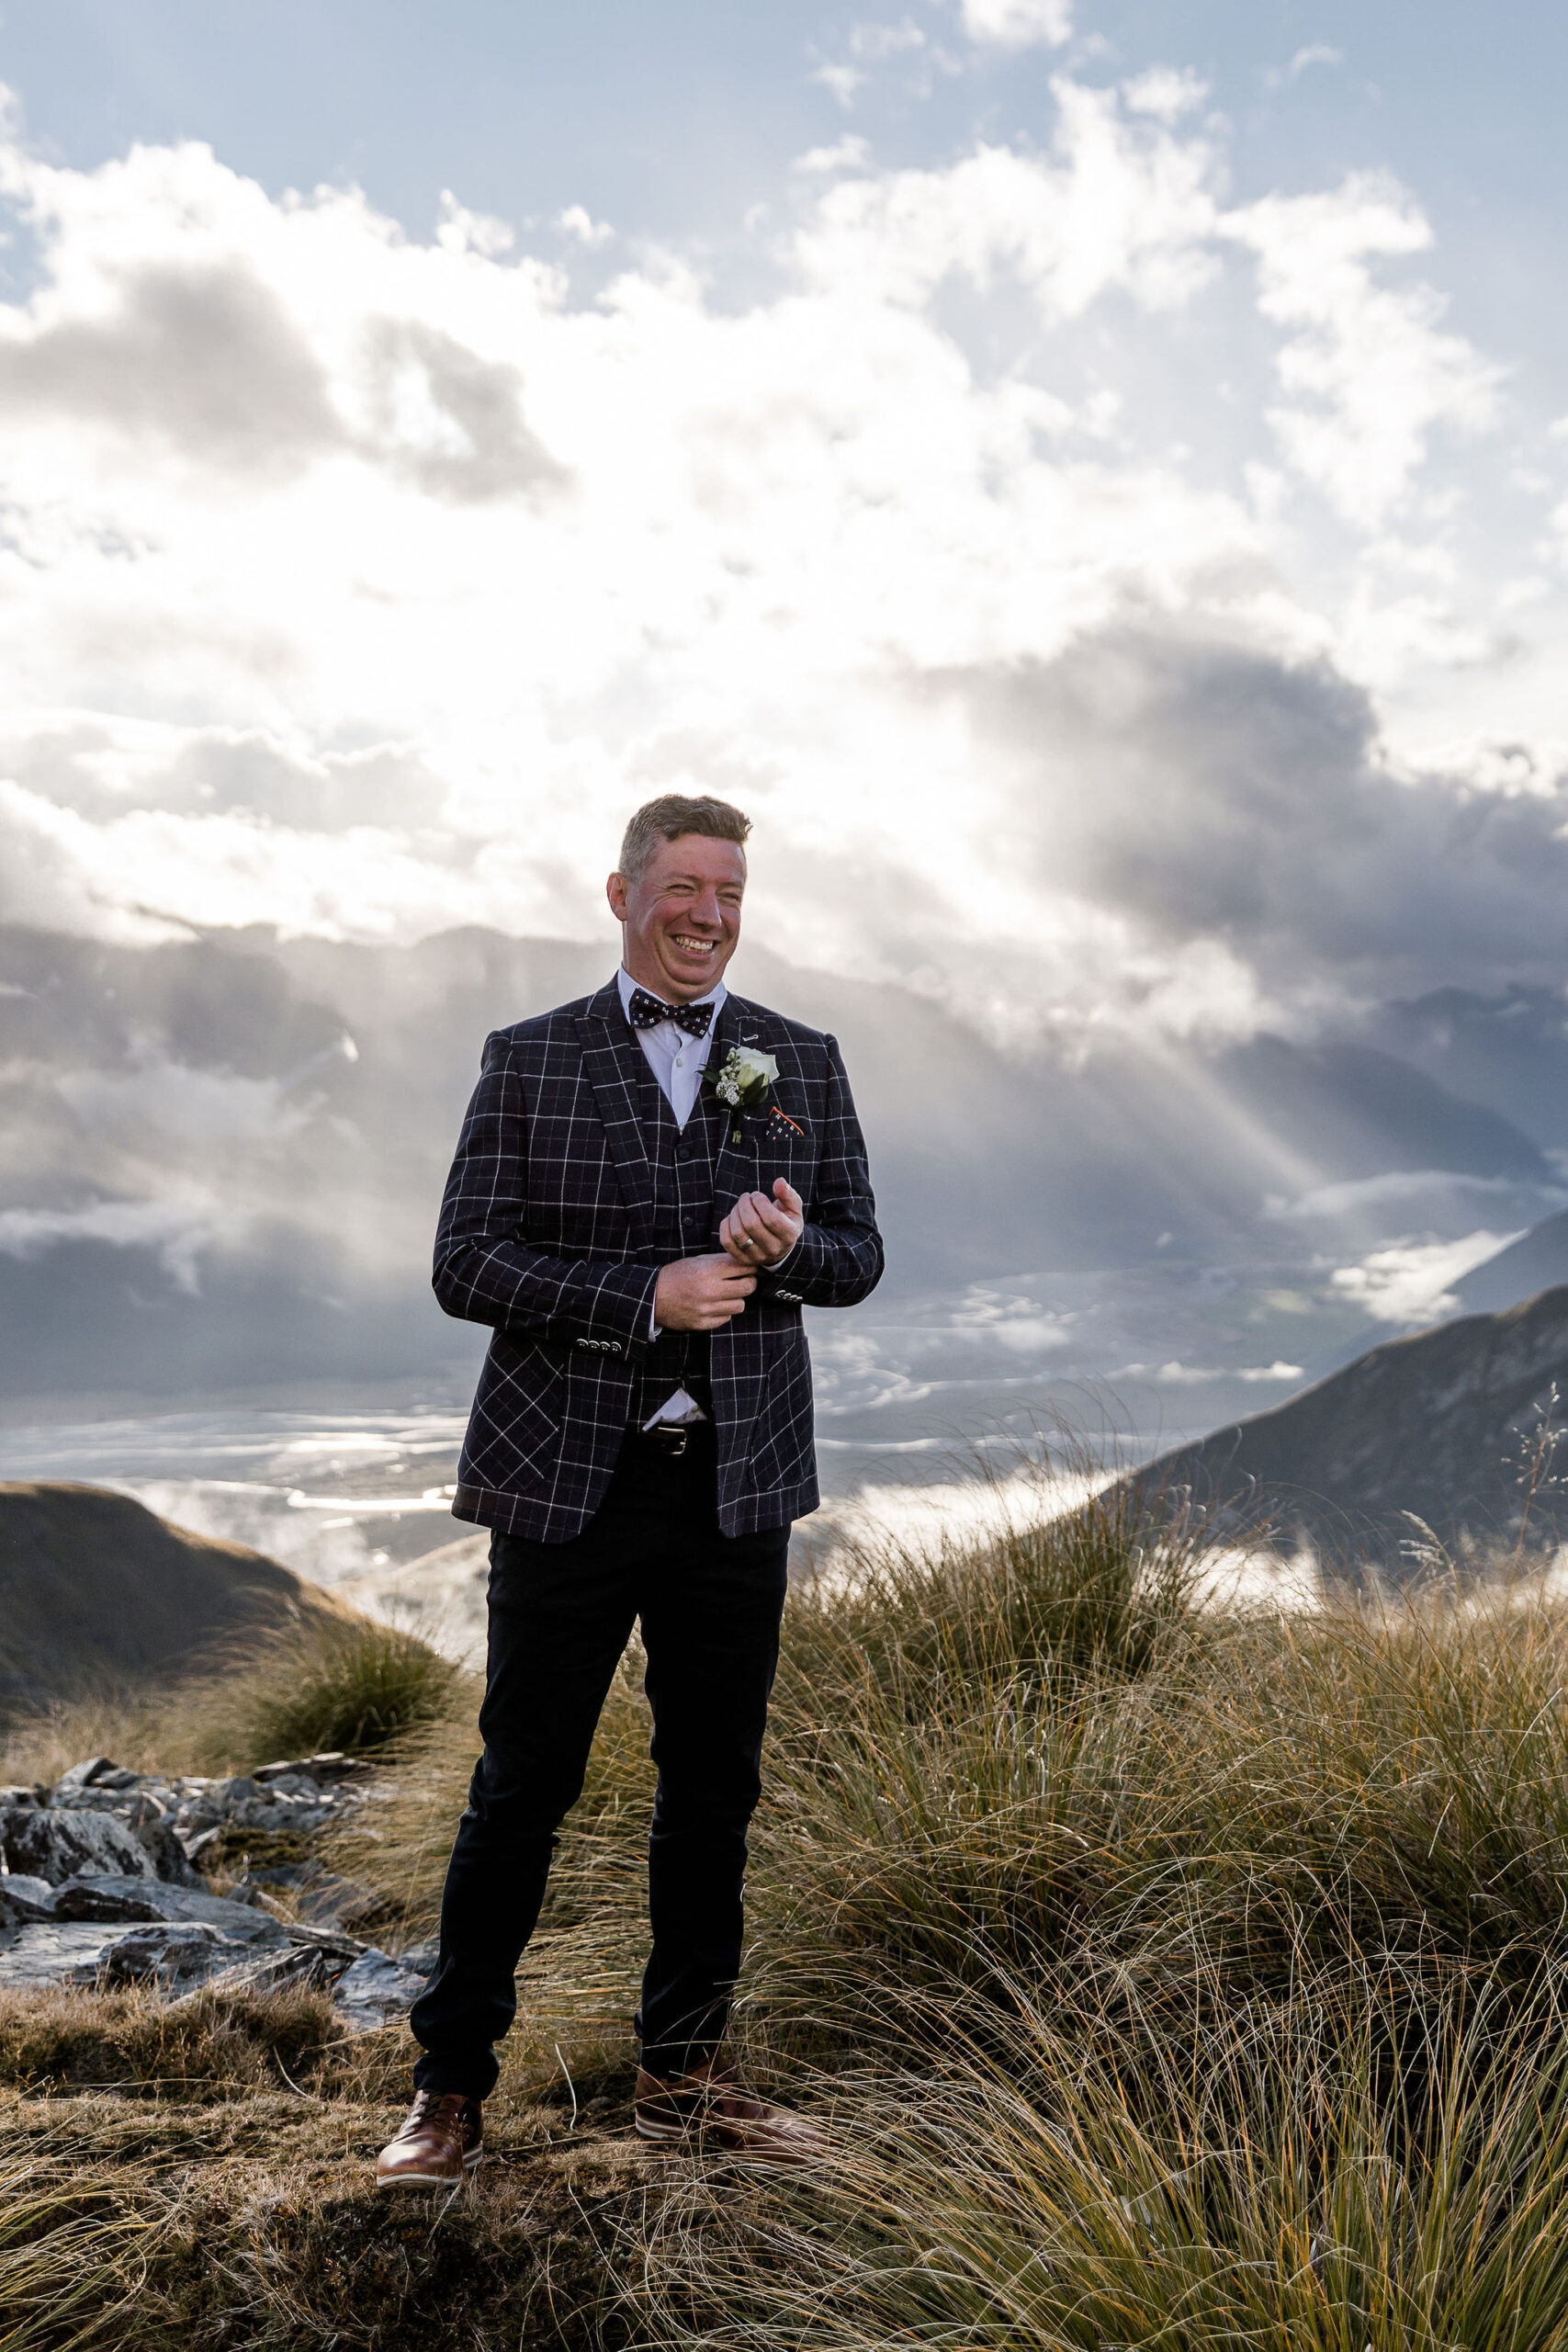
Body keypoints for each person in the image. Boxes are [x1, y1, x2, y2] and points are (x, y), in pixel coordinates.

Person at [375, 792, 884, 2187]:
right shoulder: (529, 1060)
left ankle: (686, 2076)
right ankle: (449, 2092)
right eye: (685, 888)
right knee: (521, 1784)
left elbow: (859, 1254)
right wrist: (640, 1297)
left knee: (712, 1785)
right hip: (566, 1486)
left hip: (737, 1487)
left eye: (730, 892)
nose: (710, 915)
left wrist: (788, 1249)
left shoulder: (802, 1059)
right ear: (621, 894)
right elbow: (464, 1265)